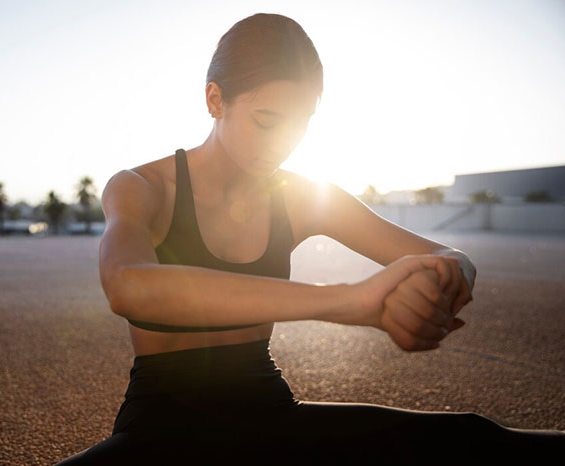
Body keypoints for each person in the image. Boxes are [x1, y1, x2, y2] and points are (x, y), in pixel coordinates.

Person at [54, 12, 564, 465]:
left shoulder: (300, 197)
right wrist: (350, 302)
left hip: (272, 415)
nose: (282, 144)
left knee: (472, 442)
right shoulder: (143, 187)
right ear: (215, 100)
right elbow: (129, 284)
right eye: (266, 121)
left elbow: (444, 254)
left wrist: (443, 280)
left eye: (299, 125)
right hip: (160, 430)